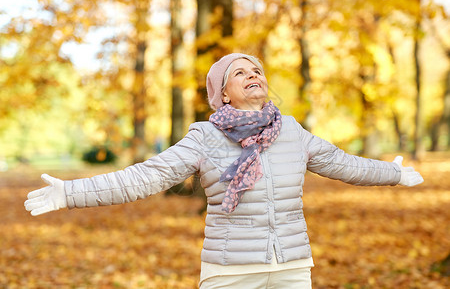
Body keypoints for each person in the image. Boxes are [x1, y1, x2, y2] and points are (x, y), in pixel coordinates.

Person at [24, 53, 424, 289]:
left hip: (291, 269)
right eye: (240, 72)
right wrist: (69, 193)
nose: (253, 75)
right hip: (229, 272)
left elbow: (342, 164)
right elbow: (145, 177)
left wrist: (392, 172)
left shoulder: (293, 132)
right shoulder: (205, 137)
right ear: (222, 94)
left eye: (257, 71)